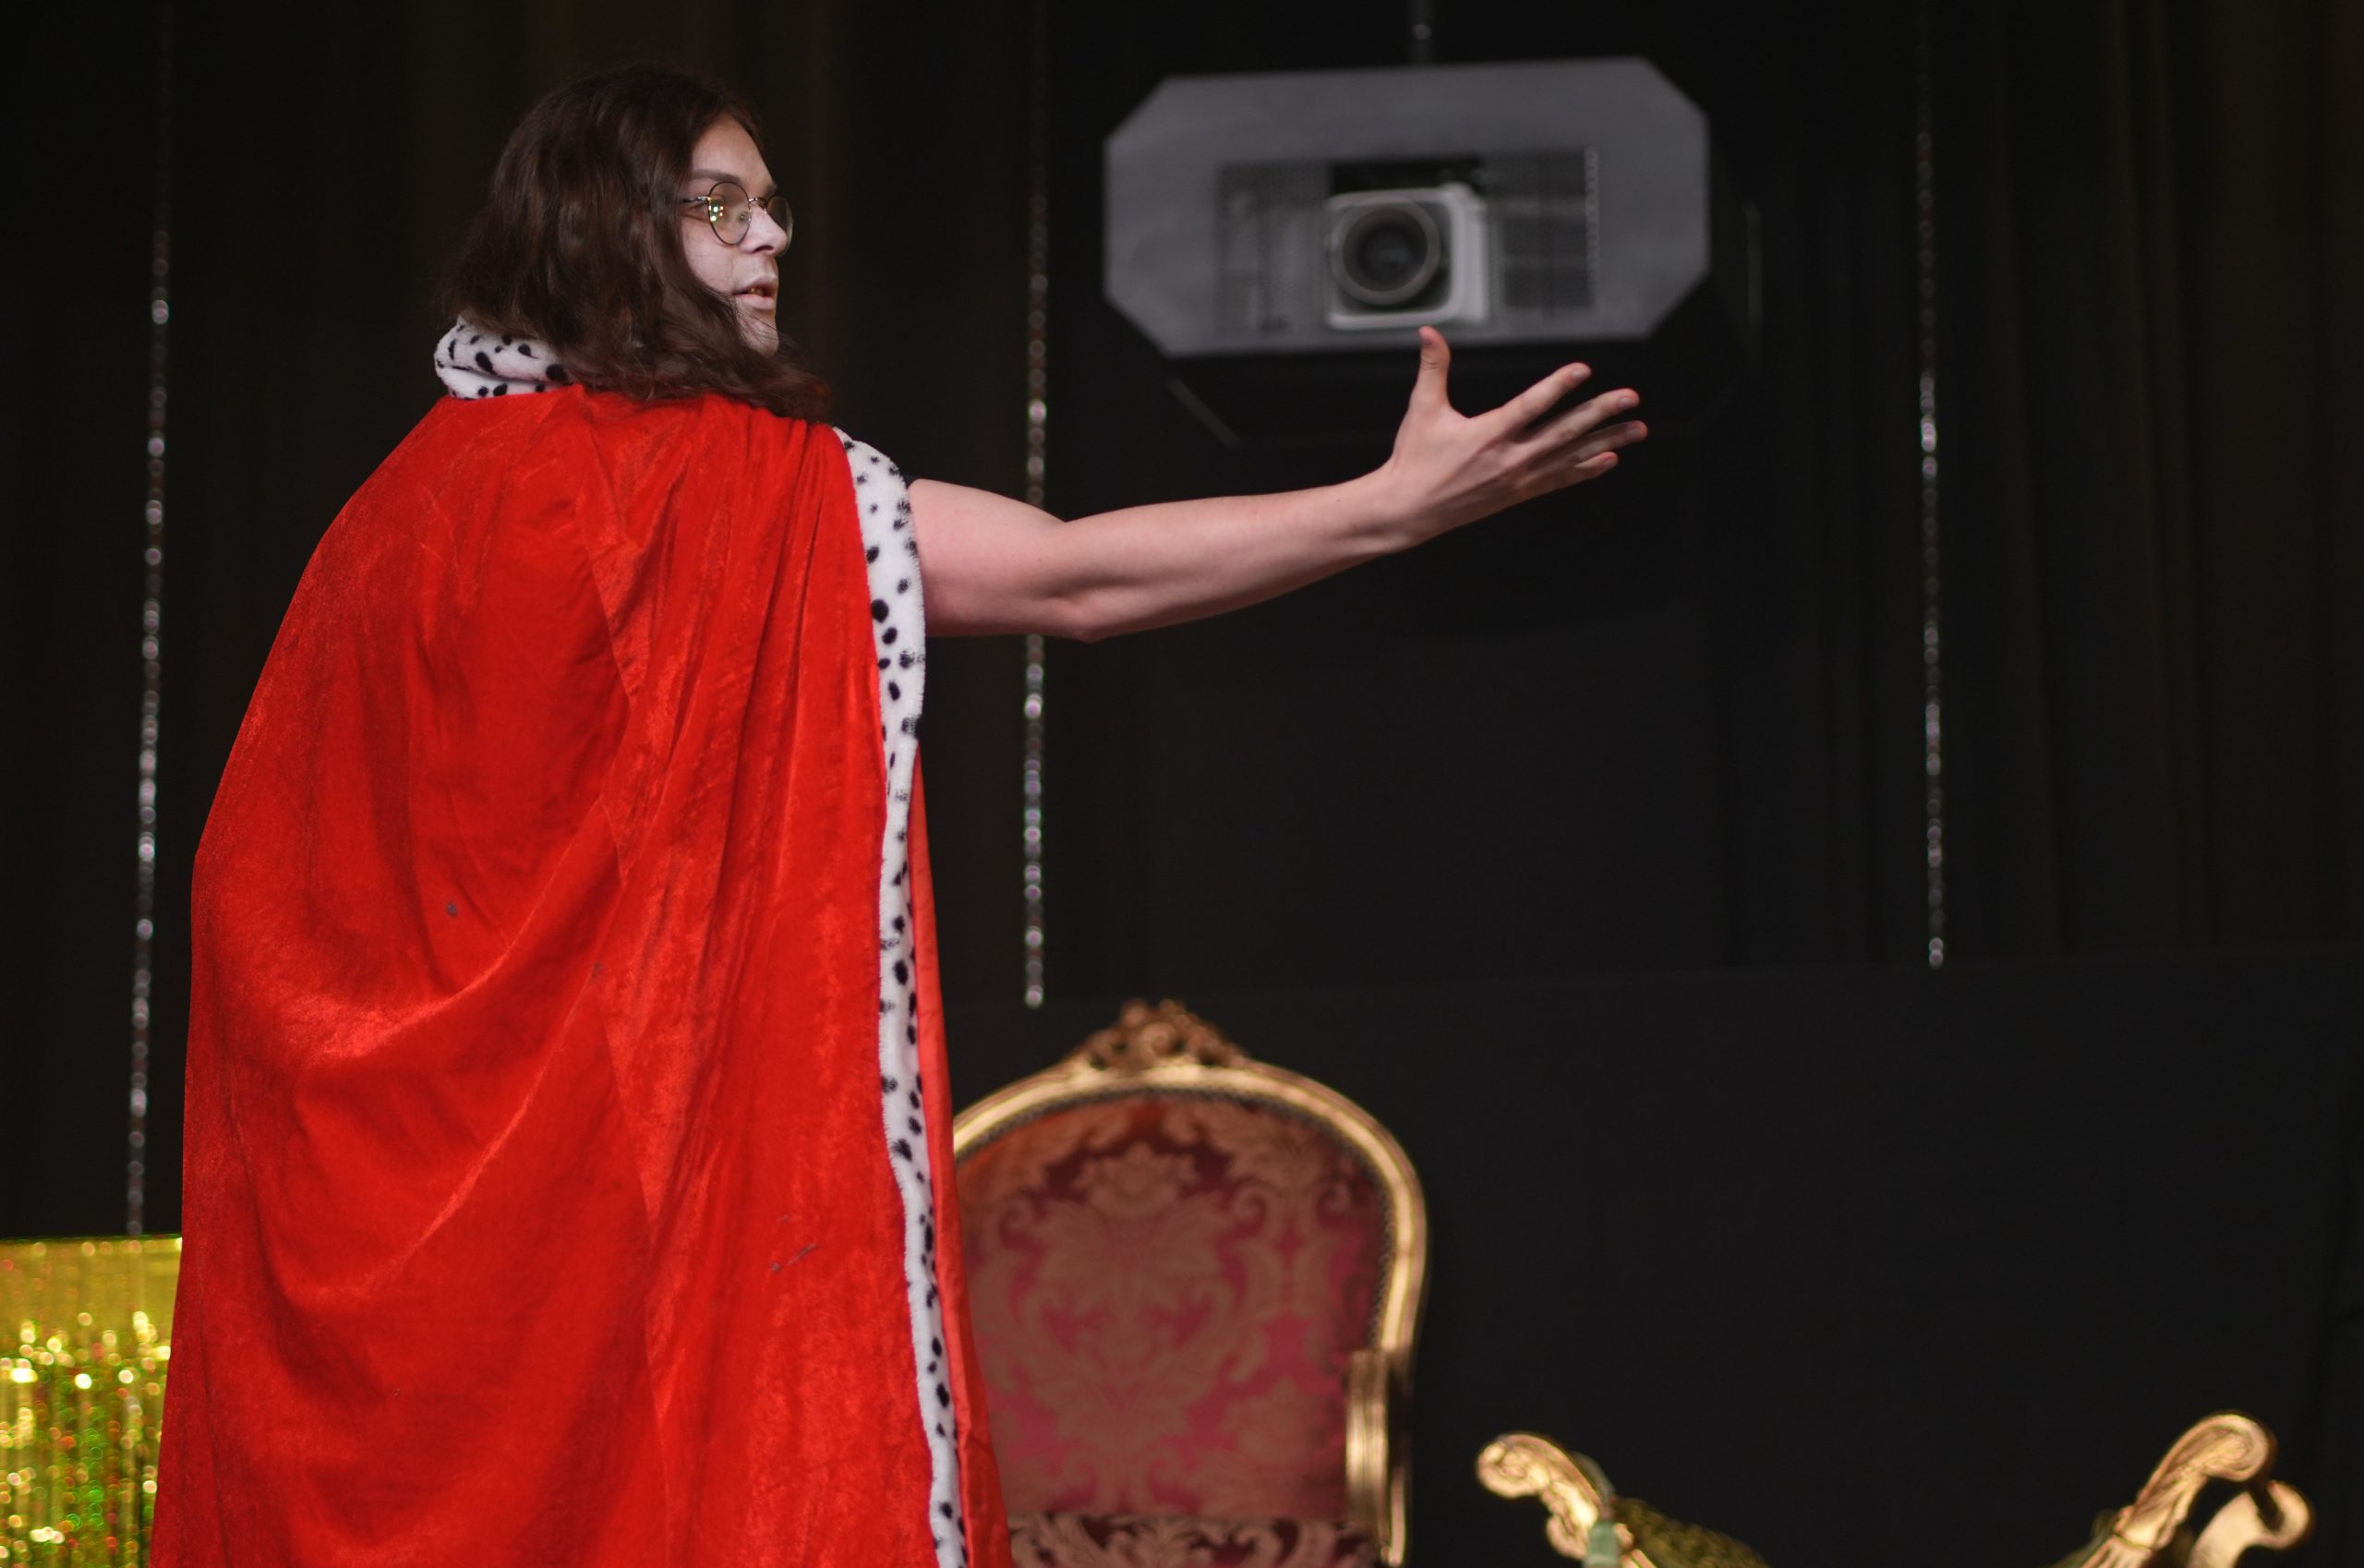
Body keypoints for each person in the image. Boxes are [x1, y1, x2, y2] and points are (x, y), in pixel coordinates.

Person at [152, 63, 1645, 1568]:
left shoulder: (401, 504)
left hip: (401, 1226)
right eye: (719, 208)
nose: (769, 241)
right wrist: (1388, 506)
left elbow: (259, 893)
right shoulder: (696, 493)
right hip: (581, 1202)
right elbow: (1074, 578)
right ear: (607, 227)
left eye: (771, 206)